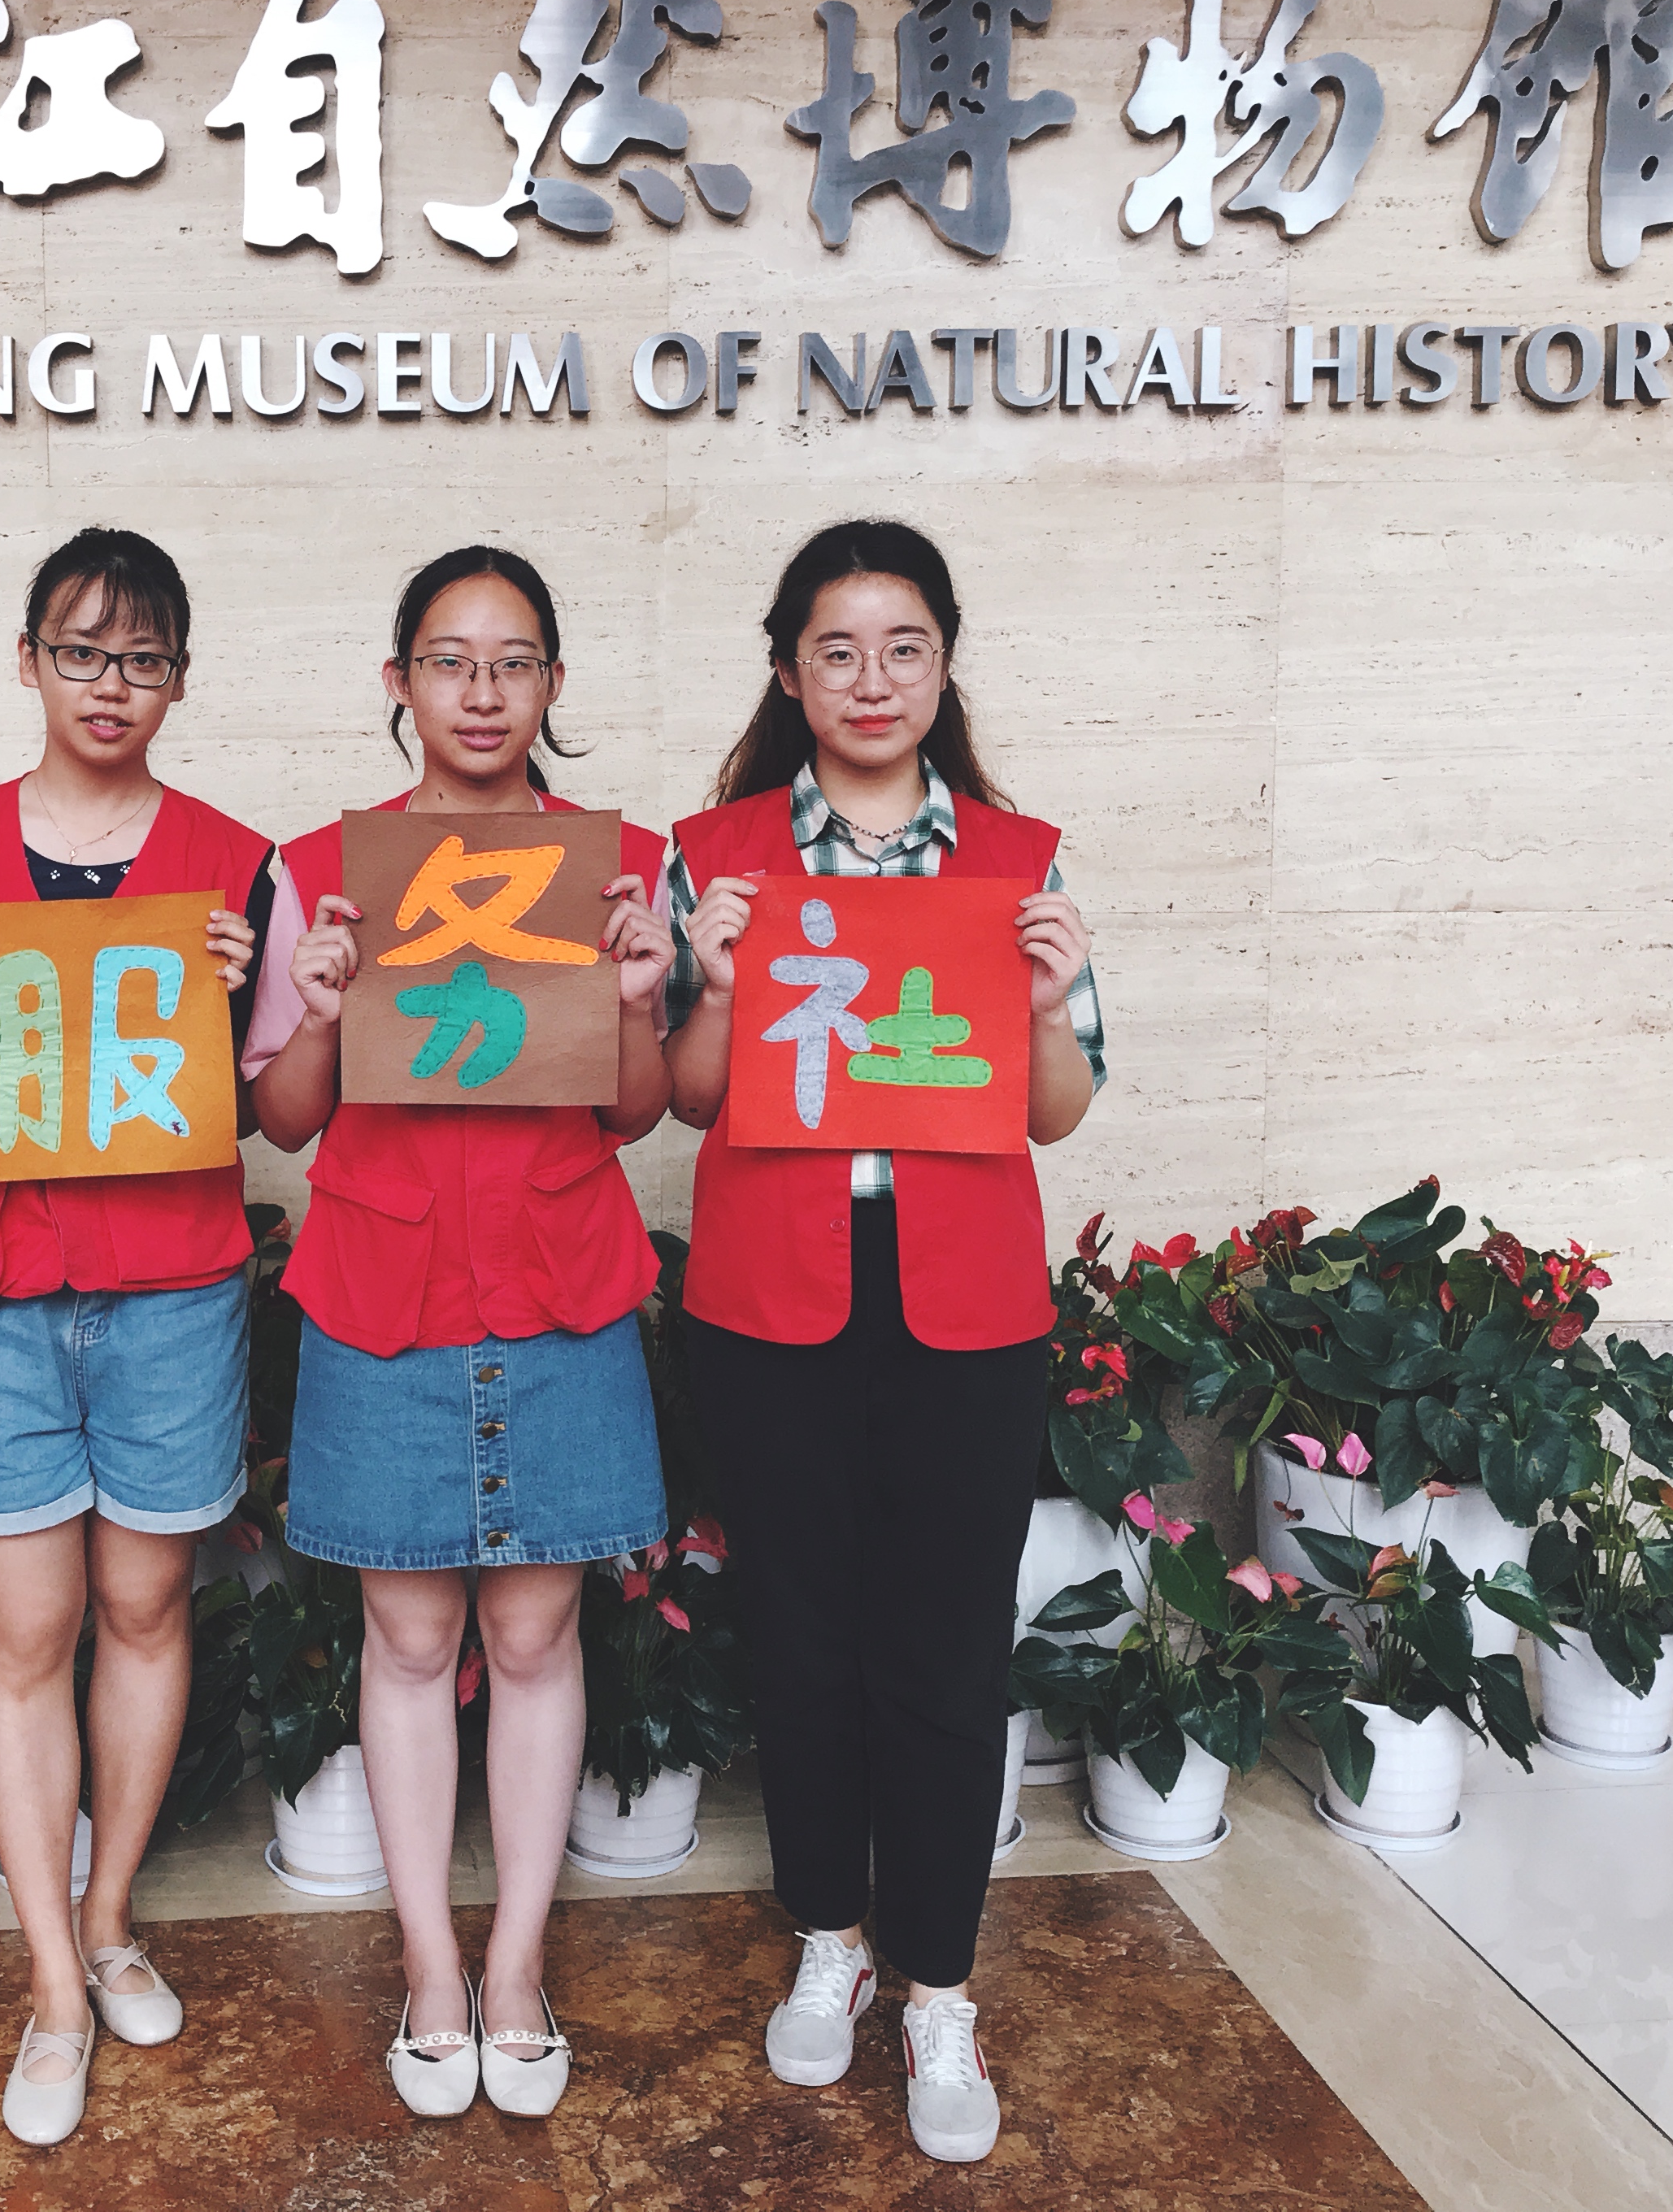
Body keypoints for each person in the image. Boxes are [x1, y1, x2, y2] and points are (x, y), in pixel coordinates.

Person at [658, 521, 1106, 2168]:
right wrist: (712, 984)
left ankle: (939, 1982)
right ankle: (830, 1937)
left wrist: (1047, 1005)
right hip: (773, 1291)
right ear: (789, 672)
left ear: (944, 665)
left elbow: (1056, 1113)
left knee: (944, 1648)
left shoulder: (1014, 859)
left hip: (963, 1302)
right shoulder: (715, 857)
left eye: (902, 647)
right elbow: (688, 1096)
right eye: (836, 650)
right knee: (800, 1636)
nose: (871, 679)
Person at [244, 547, 675, 2122]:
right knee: (412, 1642)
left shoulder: (613, 866)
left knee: (538, 1639)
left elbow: (634, 1113)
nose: (481, 693)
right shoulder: (324, 870)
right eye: (449, 660)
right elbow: (284, 1121)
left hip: (559, 1281)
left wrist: (638, 1000)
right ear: (399, 682)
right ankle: (432, 1966)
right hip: (385, 1289)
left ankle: (515, 1969)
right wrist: (315, 1005)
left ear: (552, 683)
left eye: (513, 662)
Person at [0, 528, 271, 2145]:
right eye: (84, 653)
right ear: (29, 660)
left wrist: (245, 997)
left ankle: (109, 1921)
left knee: (147, 1601)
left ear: (178, 679)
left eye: (145, 659)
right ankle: (52, 1981)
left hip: (171, 1283)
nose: (114, 686)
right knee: (24, 1628)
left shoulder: (233, 864)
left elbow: (261, 1100)